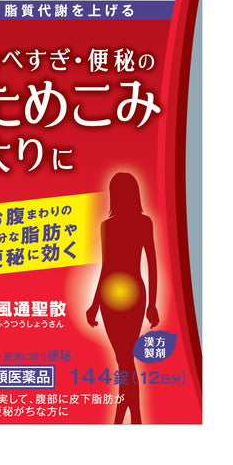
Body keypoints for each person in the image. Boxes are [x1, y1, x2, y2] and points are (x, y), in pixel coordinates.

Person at [86, 172, 159, 424]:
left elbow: (110, 269)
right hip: (132, 294)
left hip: (117, 297)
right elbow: (109, 267)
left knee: (124, 358)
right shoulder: (136, 223)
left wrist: (95, 305)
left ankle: (126, 417)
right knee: (124, 359)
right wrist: (151, 303)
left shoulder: (116, 225)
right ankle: (132, 417)